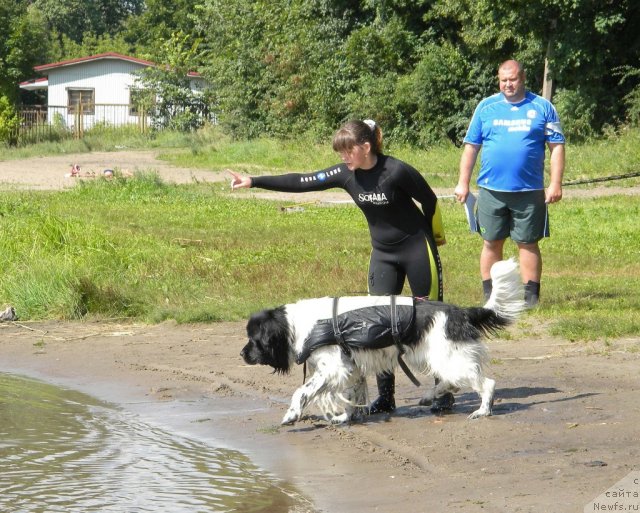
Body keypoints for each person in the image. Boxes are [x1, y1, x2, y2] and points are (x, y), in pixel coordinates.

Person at [230, 119, 453, 414]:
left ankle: (443, 391)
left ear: (366, 147)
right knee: (378, 325)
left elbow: (430, 201)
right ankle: (386, 398)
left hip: (417, 250)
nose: (343, 158)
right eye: (341, 153)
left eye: (348, 151)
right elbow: (302, 181)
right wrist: (254, 181)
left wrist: (436, 236)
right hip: (383, 254)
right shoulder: (345, 174)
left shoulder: (395, 171)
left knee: (432, 318)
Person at [454, 60, 565, 307]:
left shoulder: (542, 107)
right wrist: (463, 183)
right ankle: (492, 296)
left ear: (523, 78)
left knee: (528, 243)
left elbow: (557, 147)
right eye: (503, 80)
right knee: (491, 241)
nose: (508, 84)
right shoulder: (486, 107)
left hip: (529, 191)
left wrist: (555, 183)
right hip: (491, 190)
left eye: (512, 79)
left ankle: (530, 299)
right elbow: (471, 147)